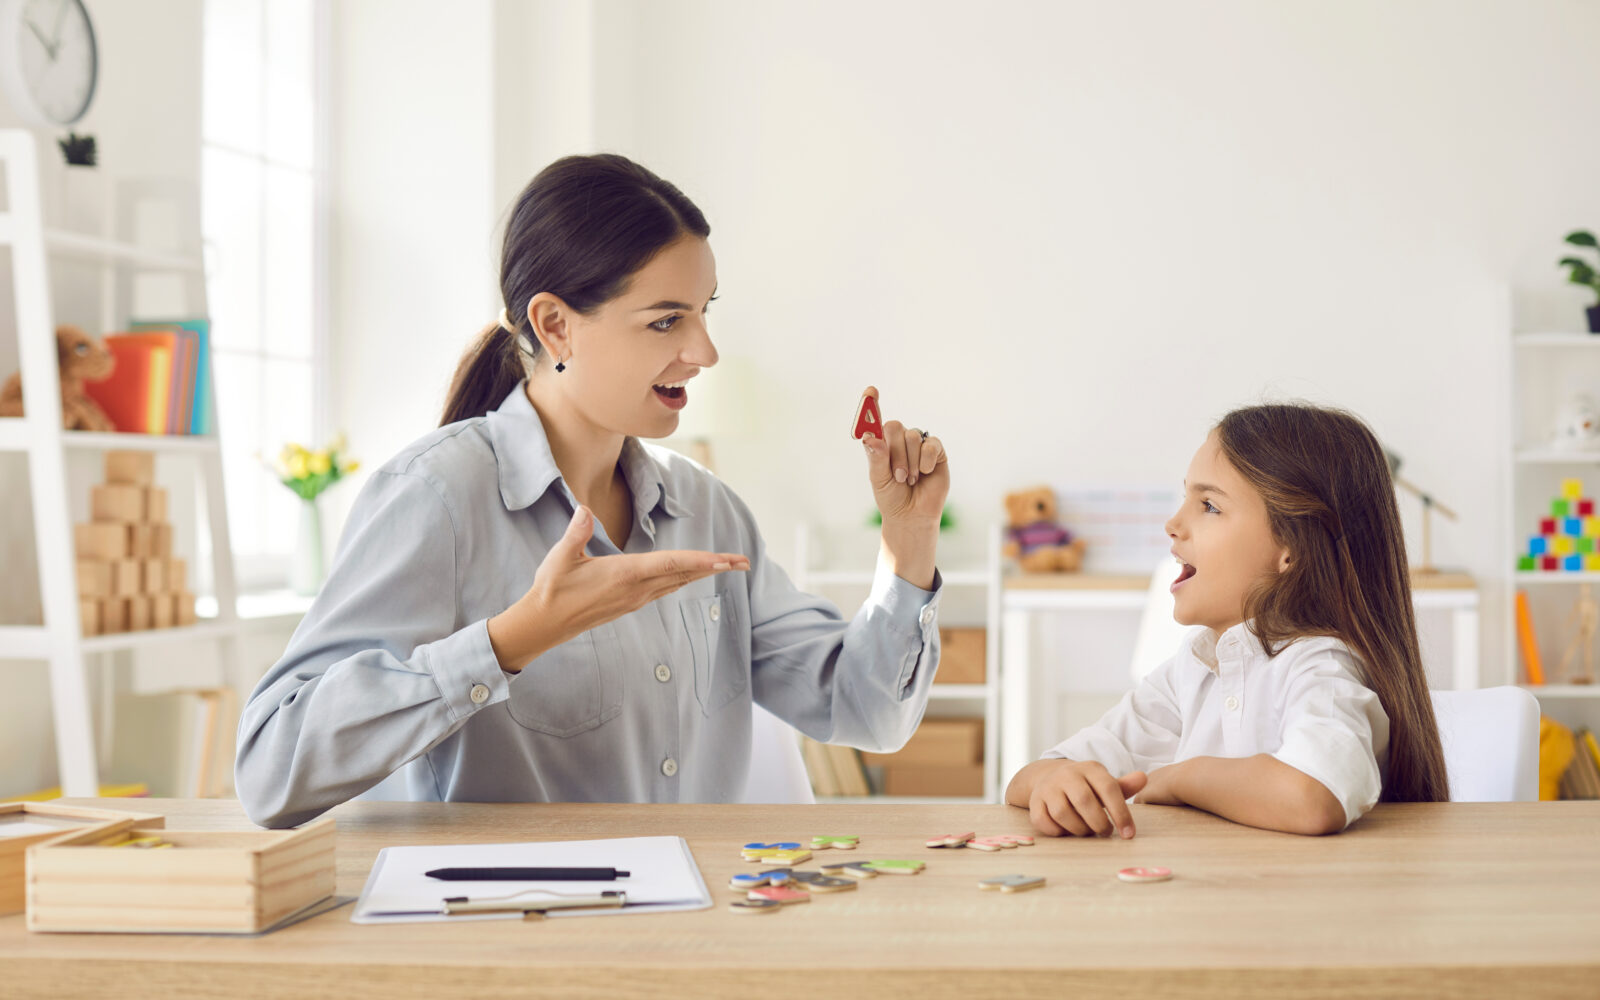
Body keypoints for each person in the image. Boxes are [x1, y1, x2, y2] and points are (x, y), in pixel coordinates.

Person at [235, 154, 950, 828]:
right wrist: (514, 640)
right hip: (505, 941)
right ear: (555, 326)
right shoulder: (438, 497)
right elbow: (271, 771)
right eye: (668, 319)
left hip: (688, 935)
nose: (705, 352)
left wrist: (908, 539)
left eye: (705, 311)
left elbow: (868, 714)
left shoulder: (708, 512)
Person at [1005, 403, 1448, 838]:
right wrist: (1055, 782)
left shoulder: (1321, 666)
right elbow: (1030, 778)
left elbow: (1313, 798)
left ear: (1291, 548)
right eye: (1185, 498)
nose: (1173, 524)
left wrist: (1182, 777)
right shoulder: (1192, 670)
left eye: (1209, 506)